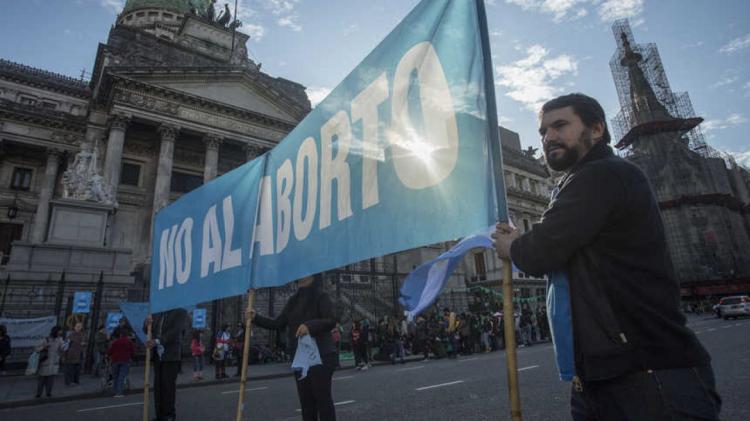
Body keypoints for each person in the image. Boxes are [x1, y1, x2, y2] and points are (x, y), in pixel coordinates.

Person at [493, 93, 720, 420]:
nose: (548, 137)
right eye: (543, 131)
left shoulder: (602, 174)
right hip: (603, 374)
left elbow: (539, 251)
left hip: (646, 372)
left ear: (596, 129)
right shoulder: (581, 180)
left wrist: (512, 245)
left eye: (560, 125)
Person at [251, 274, 338, 421]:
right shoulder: (293, 300)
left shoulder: (322, 296)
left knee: (323, 400)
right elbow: (278, 324)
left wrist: (309, 326)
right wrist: (255, 317)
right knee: (306, 403)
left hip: (321, 356)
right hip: (300, 358)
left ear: (313, 275)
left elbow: (331, 320)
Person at [145, 308, 188, 421]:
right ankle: (159, 415)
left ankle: (169, 415)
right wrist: (147, 322)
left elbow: (176, 331)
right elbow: (147, 330)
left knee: (167, 386)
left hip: (171, 355)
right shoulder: (157, 312)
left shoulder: (180, 311)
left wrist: (158, 341)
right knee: (158, 387)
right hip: (157, 356)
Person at [35, 326, 65, 398]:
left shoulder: (60, 339)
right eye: (60, 331)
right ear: (56, 331)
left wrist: (65, 346)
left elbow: (63, 348)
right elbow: (36, 349)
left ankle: (48, 393)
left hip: (54, 362)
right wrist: (44, 347)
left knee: (51, 380)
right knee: (41, 380)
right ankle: (39, 393)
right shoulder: (46, 339)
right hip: (45, 362)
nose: (61, 333)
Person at [107, 328, 135, 397]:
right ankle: (119, 392)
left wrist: (108, 356)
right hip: (125, 360)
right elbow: (132, 351)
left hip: (115, 360)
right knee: (121, 377)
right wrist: (131, 357)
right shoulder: (129, 342)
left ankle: (115, 391)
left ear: (120, 335)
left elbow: (110, 351)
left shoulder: (116, 342)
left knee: (115, 376)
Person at [64, 322, 85, 386]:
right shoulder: (71, 334)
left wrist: (83, 344)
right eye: (77, 326)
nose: (78, 328)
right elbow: (68, 343)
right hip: (72, 354)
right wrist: (80, 343)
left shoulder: (82, 334)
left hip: (79, 353)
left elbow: (84, 342)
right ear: (74, 327)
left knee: (77, 369)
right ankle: (69, 381)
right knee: (70, 369)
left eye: (80, 326)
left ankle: (76, 381)